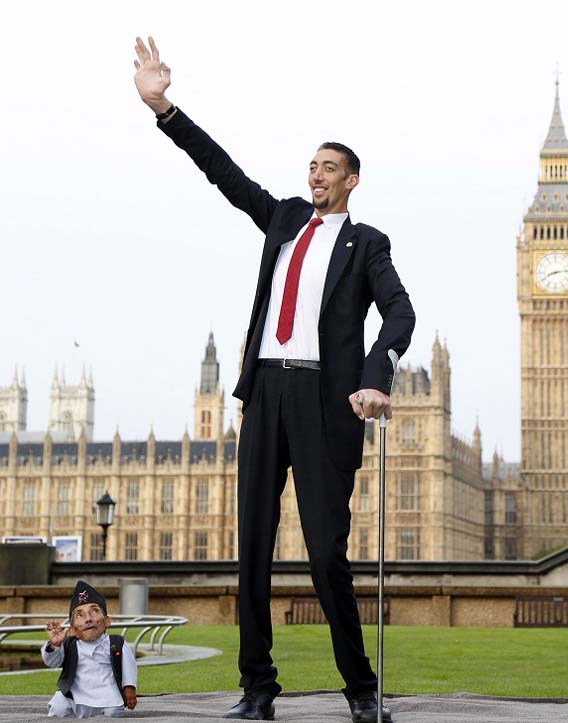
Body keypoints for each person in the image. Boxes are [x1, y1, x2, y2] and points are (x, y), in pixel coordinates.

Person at [133, 36, 415, 723]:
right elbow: (221, 171)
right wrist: (164, 107)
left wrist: (376, 375)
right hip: (264, 391)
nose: (314, 174)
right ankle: (257, 686)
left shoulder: (366, 241)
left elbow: (400, 311)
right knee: (251, 547)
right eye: (311, 165)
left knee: (325, 554)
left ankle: (359, 687)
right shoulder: (284, 218)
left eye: (327, 168)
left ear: (351, 179)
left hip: (325, 400)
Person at [41, 580, 137, 718]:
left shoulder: (116, 643)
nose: (88, 619)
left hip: (107, 694)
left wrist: (129, 687)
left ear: (107, 621)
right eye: (80, 615)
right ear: (72, 629)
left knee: (114, 712)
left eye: (94, 611)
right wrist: (54, 645)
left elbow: (129, 666)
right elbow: (52, 662)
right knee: (59, 708)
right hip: (75, 693)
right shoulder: (69, 644)